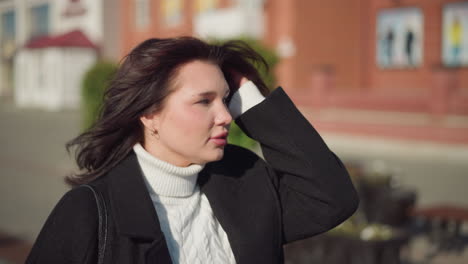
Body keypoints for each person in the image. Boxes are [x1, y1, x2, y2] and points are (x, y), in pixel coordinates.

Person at [26, 37, 359, 264]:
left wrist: (253, 100)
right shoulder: (89, 210)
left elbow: (332, 200)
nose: (227, 116)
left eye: (226, 99)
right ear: (149, 113)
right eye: (204, 101)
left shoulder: (244, 180)